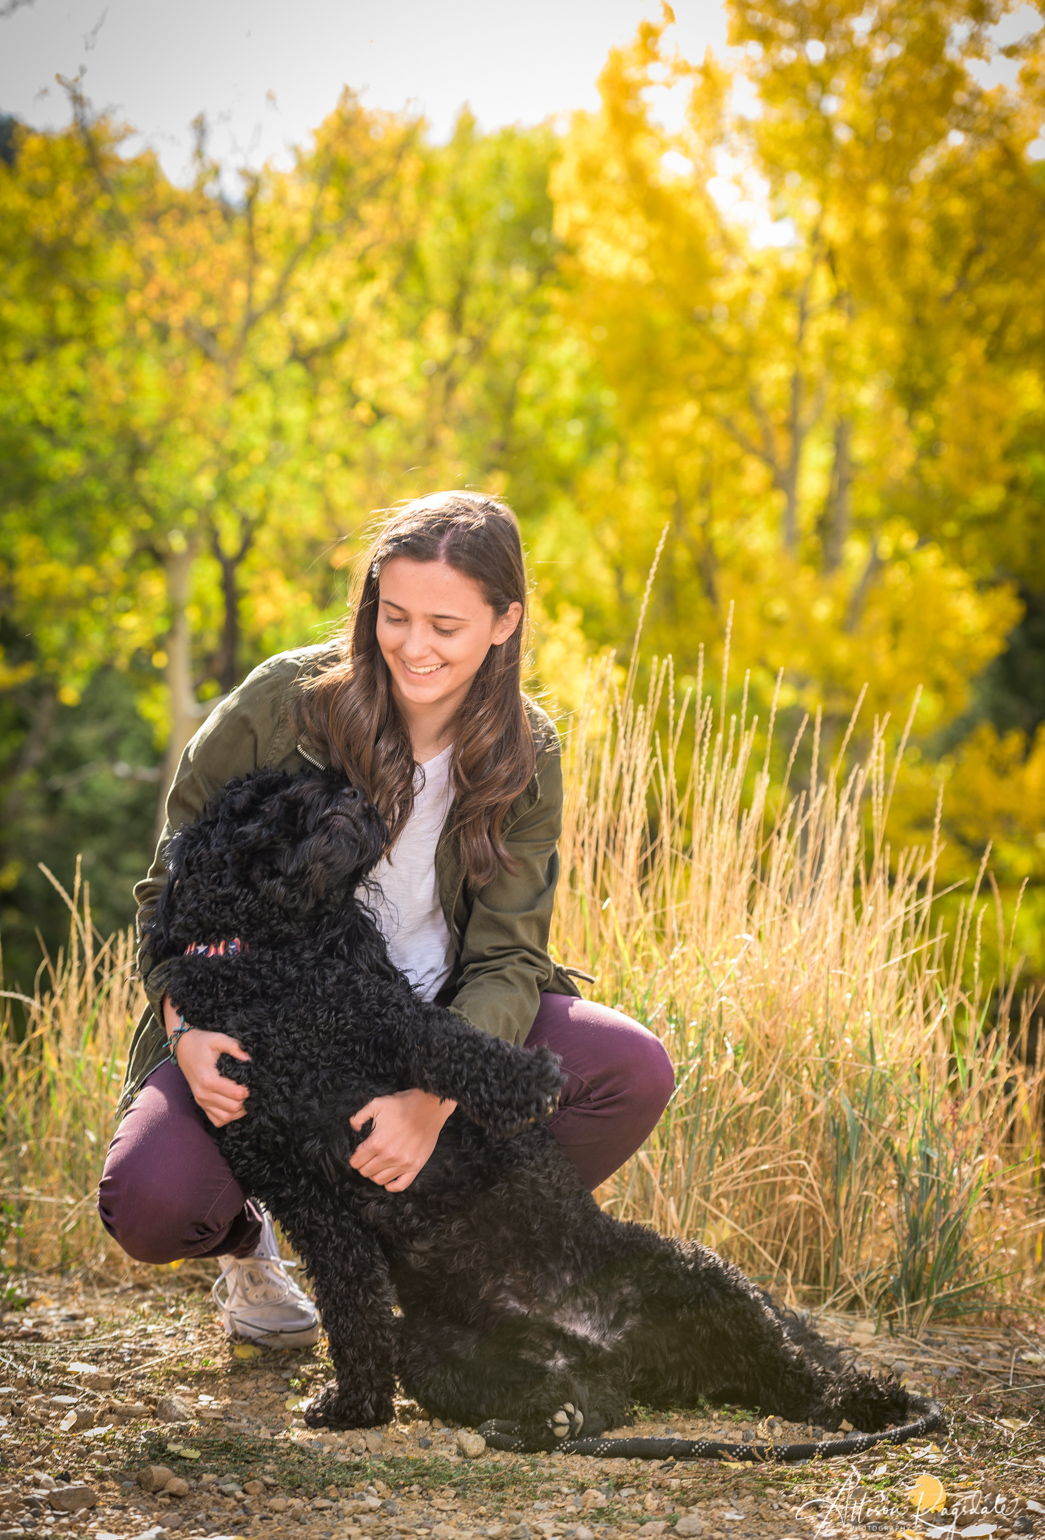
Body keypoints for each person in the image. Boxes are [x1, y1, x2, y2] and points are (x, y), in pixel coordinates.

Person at [98, 492, 674, 1348]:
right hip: (262, 1021)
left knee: (630, 1070)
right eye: (393, 615)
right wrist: (185, 1027)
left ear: (504, 622)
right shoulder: (280, 703)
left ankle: (457, 1265)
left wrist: (432, 1099)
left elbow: (509, 958)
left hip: (429, 1021)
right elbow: (171, 889)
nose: (412, 646)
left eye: (445, 625)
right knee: (152, 1204)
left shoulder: (528, 749)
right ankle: (250, 1248)